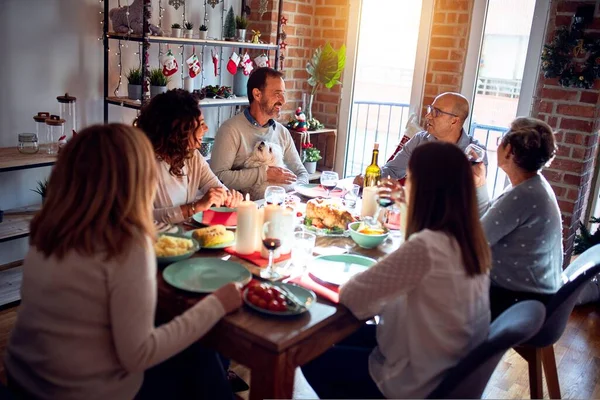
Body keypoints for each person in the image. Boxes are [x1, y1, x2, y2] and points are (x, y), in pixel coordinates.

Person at [4, 124, 242, 400]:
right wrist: (217, 304)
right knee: (201, 354)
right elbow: (139, 354)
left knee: (199, 354)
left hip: (22, 381)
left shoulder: (49, 229)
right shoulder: (127, 244)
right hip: (83, 392)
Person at [303, 141, 491, 399]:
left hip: (414, 381)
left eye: (410, 179)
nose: (405, 186)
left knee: (309, 350)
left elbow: (353, 296)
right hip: (447, 369)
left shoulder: (427, 247)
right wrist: (405, 203)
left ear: (426, 190)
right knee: (332, 338)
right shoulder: (468, 239)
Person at [473, 117, 563, 320]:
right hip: (532, 293)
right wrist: (481, 184)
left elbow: (474, 242)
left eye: (501, 140)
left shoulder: (524, 195)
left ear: (510, 150)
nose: (498, 145)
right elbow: (488, 219)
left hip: (519, 301)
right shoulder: (530, 185)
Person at [135, 89, 243, 224]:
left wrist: (228, 198)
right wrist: (194, 208)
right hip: (158, 242)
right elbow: (144, 217)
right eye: (201, 124)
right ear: (179, 129)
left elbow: (214, 186)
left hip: (185, 238)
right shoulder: (143, 163)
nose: (206, 128)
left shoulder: (193, 157)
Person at [210, 67, 309, 199]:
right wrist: (265, 174)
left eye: (283, 93)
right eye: (277, 93)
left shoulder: (282, 132)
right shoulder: (230, 130)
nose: (283, 100)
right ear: (257, 94)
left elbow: (301, 173)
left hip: (279, 207)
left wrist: (292, 195)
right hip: (241, 210)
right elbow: (217, 178)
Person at [354, 92, 488, 185]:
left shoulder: (475, 154)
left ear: (454, 121)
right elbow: (393, 170)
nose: (428, 116)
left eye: (436, 112)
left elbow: (471, 199)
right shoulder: (419, 140)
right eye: (430, 109)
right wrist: (371, 177)